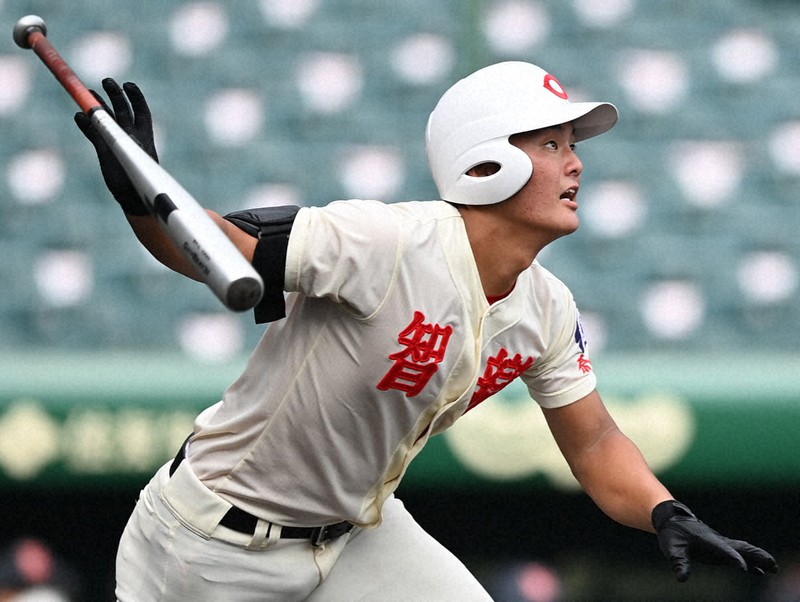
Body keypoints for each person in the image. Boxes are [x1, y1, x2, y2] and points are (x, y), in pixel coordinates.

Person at [75, 61, 777, 601]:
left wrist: (663, 511)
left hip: (355, 536)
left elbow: (594, 442)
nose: (577, 163)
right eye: (552, 143)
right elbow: (213, 250)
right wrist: (142, 195)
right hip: (212, 541)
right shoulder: (387, 241)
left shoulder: (547, 307)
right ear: (486, 162)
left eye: (572, 144)